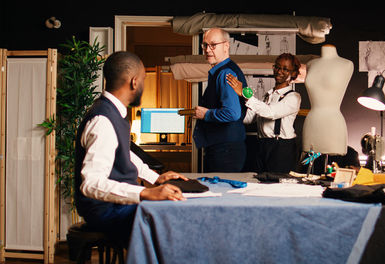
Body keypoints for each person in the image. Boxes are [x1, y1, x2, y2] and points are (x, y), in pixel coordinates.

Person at [74, 51, 188, 244]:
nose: (143, 84)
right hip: (106, 210)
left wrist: (155, 178)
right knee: (175, 220)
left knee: (175, 211)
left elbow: (124, 153)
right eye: (144, 79)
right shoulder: (103, 120)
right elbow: (90, 183)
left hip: (113, 206)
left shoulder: (114, 112)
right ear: (134, 82)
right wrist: (145, 193)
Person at [226, 53, 302, 173]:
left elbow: (270, 112)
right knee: (260, 183)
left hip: (281, 148)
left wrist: (245, 93)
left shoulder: (294, 97)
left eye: (285, 69)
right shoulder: (268, 95)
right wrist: (231, 110)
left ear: (293, 73)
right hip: (262, 145)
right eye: (277, 67)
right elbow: (250, 118)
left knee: (277, 188)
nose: (279, 71)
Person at [192, 27, 248, 172]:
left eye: (213, 45)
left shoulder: (225, 73)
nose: (208, 50)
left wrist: (206, 114)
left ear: (226, 46)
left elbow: (232, 113)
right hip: (225, 148)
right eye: (205, 45)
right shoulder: (221, 71)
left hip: (225, 151)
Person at [302, 44, 353, 155]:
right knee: (311, 167)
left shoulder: (346, 65)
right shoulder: (311, 64)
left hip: (333, 123)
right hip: (312, 122)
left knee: (330, 168)